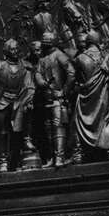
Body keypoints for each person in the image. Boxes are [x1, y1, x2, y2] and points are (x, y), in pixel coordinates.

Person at [0, 39, 36, 172]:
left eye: (17, 49)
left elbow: (29, 86)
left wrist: (28, 100)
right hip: (2, 102)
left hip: (19, 101)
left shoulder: (25, 66)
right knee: (2, 132)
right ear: (7, 51)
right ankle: (3, 161)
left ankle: (15, 160)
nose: (15, 51)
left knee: (17, 131)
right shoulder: (0, 67)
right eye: (12, 49)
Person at [72, 30, 109, 162]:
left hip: (87, 97)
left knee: (78, 121)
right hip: (103, 95)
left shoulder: (79, 59)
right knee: (107, 120)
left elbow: (77, 79)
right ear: (98, 41)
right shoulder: (107, 57)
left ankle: (78, 153)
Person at [36, 32, 76, 167]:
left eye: (47, 40)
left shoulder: (59, 55)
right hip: (46, 99)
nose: (44, 42)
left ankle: (60, 157)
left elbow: (71, 72)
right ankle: (53, 157)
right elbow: (37, 72)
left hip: (58, 100)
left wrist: (64, 91)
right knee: (48, 129)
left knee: (58, 127)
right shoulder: (43, 58)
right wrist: (40, 80)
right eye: (44, 40)